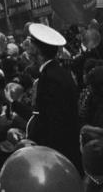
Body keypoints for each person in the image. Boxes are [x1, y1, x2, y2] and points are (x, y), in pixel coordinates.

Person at [26, 23, 82, 173]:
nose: (27, 49)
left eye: (30, 44)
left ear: (37, 49)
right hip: (67, 149)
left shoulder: (49, 78)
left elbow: (51, 121)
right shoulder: (59, 72)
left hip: (60, 154)